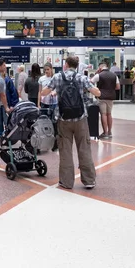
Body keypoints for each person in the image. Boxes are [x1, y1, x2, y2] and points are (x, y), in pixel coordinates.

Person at [41, 56, 100, 189]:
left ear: (66, 64)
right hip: (80, 119)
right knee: (84, 149)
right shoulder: (81, 78)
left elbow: (44, 92)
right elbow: (97, 92)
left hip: (63, 119)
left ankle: (67, 182)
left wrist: (54, 91)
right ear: (77, 65)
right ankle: (89, 180)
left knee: (65, 151)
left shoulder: (57, 77)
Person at [90, 62, 120, 139]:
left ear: (100, 68)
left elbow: (90, 83)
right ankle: (110, 132)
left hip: (101, 96)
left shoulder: (99, 75)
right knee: (109, 114)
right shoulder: (114, 75)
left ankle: (105, 133)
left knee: (103, 114)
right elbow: (118, 87)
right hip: (111, 97)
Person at [38, 62, 58, 151]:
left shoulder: (56, 78)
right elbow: (39, 92)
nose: (46, 71)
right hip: (44, 103)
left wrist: (55, 92)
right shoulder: (41, 79)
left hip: (53, 103)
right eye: (45, 70)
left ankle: (55, 143)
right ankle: (44, 141)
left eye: (48, 69)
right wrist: (38, 103)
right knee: (43, 122)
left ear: (51, 69)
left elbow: (59, 89)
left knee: (54, 123)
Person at [0, 70, 19, 141]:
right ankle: (1, 137)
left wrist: (13, 105)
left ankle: (8, 137)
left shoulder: (8, 81)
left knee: (7, 121)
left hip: (6, 105)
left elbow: (14, 93)